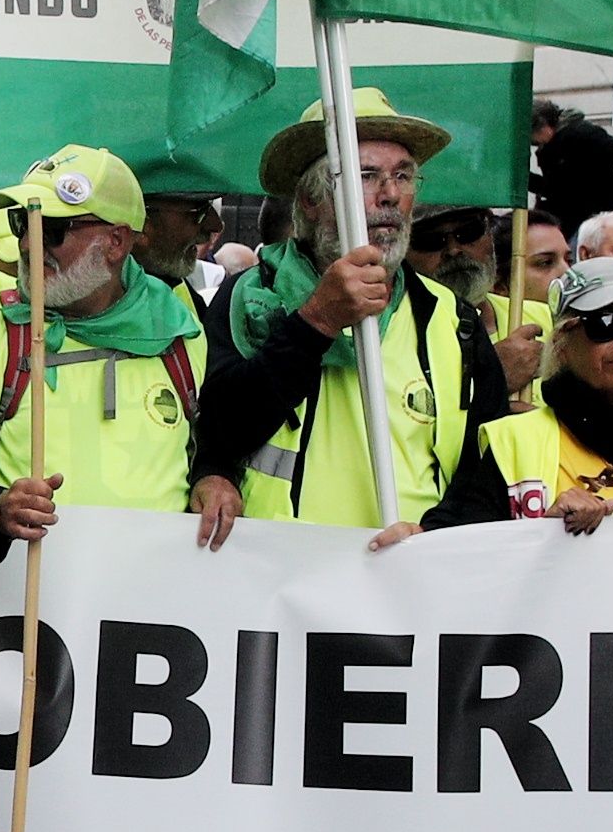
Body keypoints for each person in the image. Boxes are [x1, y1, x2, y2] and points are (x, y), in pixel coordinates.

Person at [0, 146, 227, 562]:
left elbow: (213, 438)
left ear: (115, 241)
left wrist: (215, 476)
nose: (27, 243)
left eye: (51, 228)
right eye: (22, 223)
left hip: (151, 608)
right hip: (27, 608)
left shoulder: (179, 330)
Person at [198, 95, 494, 527]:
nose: (390, 195)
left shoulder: (453, 318)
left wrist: (432, 532)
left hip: (407, 571)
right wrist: (316, 321)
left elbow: (488, 471)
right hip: (279, 572)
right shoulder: (249, 296)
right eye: (366, 176)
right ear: (311, 200)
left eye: (403, 176)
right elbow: (218, 431)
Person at [391, 256, 613, 537]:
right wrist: (545, 531)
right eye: (604, 324)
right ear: (562, 343)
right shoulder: (511, 441)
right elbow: (458, 552)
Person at [409, 204, 547, 401]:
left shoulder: (545, 318)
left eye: (468, 232)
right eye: (430, 240)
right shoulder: (392, 335)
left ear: (490, 231)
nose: (453, 250)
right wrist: (492, 377)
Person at [527, 99, 613, 241]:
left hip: (587, 220)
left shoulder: (580, 135)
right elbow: (558, 188)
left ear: (543, 126)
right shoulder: (558, 142)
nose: (533, 143)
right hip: (575, 220)